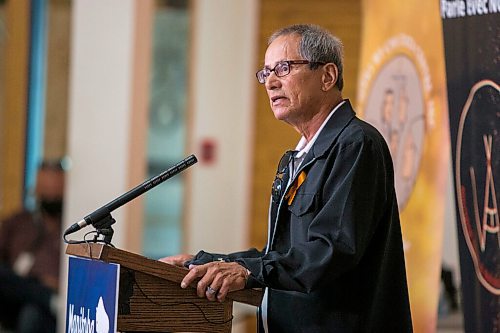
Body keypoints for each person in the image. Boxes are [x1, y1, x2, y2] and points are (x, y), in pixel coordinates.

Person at [161, 24, 412, 332]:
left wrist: (248, 271)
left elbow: (331, 249)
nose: (270, 83)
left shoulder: (355, 144)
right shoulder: (297, 157)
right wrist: (202, 261)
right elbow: (281, 257)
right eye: (266, 73)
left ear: (327, 76)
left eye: (283, 67)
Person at [0, 160, 65, 333]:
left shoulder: (71, 229)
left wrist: (55, 284)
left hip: (48, 309)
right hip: (14, 294)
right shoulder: (18, 223)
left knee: (32, 313)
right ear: (36, 189)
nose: (50, 195)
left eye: (55, 190)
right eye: (45, 189)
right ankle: (47, 297)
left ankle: (48, 298)